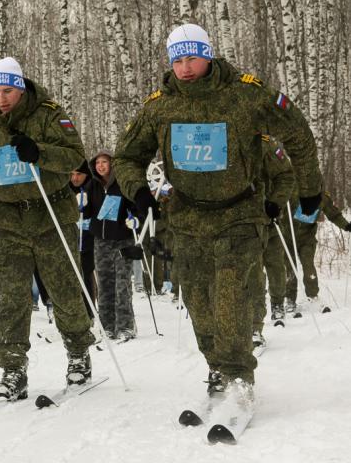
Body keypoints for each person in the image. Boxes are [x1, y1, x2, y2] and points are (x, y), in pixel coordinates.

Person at [113, 24, 322, 414]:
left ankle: (239, 375)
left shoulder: (246, 93)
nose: (185, 68)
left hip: (239, 213)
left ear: (208, 55)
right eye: (177, 60)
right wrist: (139, 193)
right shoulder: (160, 105)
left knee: (230, 296)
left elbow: (298, 134)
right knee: (198, 301)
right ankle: (217, 368)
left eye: (192, 58)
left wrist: (309, 187)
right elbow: (126, 156)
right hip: (186, 217)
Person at [0, 57, 94, 399]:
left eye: (8, 91)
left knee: (63, 291)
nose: (2, 99)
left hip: (51, 215)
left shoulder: (49, 115)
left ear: (21, 87)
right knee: (13, 299)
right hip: (10, 220)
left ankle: (78, 352)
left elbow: (75, 157)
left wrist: (40, 152)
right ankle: (12, 368)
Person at [82, 149, 137, 341]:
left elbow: (135, 207)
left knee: (122, 284)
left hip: (123, 238)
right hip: (101, 241)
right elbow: (87, 211)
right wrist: (81, 205)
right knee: (104, 284)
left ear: (112, 164)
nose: (100, 166)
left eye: (104, 162)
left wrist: (134, 219)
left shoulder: (122, 184)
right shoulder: (92, 185)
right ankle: (107, 326)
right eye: (97, 163)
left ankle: (126, 326)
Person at [249, 135, 296, 346]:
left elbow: (286, 176)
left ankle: (278, 304)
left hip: (271, 220)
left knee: (276, 267)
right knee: (254, 274)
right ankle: (254, 326)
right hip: (246, 223)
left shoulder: (267, 144)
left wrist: (275, 202)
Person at [281, 191, 350, 315]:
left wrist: (346, 226)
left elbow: (333, 214)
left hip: (307, 238)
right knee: (289, 269)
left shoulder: (321, 197)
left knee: (308, 266)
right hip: (287, 237)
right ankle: (290, 299)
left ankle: (313, 296)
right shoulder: (291, 192)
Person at [69, 163, 96, 318]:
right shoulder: (66, 190)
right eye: (72, 174)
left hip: (88, 241)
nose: (75, 178)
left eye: (79, 174)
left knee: (86, 275)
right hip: (69, 239)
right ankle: (74, 313)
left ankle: (89, 312)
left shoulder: (93, 188)